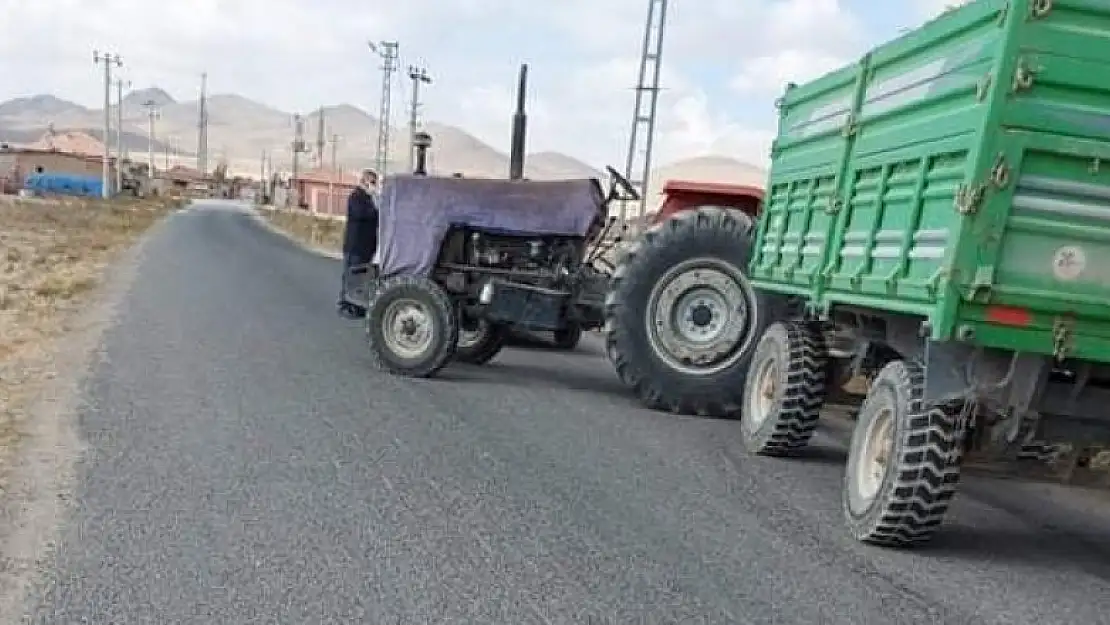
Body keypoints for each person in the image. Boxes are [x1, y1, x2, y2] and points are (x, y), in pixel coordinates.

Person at [337, 169, 379, 319]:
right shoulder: (356, 197)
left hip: (366, 247)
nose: (375, 186)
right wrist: (375, 209)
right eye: (373, 182)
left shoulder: (370, 199)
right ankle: (345, 304)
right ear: (365, 181)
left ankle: (356, 305)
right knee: (350, 275)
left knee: (361, 278)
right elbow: (361, 214)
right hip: (355, 245)